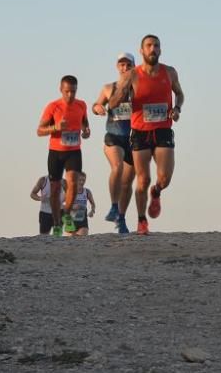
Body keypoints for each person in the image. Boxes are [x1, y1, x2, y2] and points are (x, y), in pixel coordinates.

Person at [110, 34, 184, 235]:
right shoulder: (132, 75)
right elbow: (114, 102)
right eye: (149, 46)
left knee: (165, 178)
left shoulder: (169, 72)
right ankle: (142, 220)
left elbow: (180, 93)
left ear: (160, 50)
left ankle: (157, 192)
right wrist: (120, 94)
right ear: (142, 50)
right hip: (140, 132)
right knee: (142, 179)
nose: (153, 49)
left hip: (163, 130)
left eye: (156, 46)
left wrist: (177, 108)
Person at [37, 75, 90, 236]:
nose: (70, 95)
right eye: (67, 91)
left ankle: (66, 213)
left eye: (73, 92)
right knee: (55, 189)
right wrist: (55, 127)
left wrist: (86, 131)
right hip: (56, 152)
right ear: (61, 90)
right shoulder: (53, 107)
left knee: (73, 183)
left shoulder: (81, 105)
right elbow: (39, 130)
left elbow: (85, 123)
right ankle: (57, 222)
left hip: (74, 151)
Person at [92, 52, 136, 234]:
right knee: (116, 168)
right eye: (121, 65)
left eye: (128, 65)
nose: (125, 68)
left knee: (127, 183)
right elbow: (95, 105)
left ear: (133, 67)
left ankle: (122, 218)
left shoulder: (138, 89)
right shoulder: (109, 88)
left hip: (133, 139)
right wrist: (98, 108)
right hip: (113, 136)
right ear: (117, 67)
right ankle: (113, 206)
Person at [66, 172, 96, 236]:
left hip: (83, 220)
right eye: (80, 180)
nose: (82, 182)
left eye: (83, 180)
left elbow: (93, 204)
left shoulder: (87, 191)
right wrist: (72, 207)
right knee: (70, 241)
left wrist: (92, 211)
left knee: (83, 240)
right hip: (71, 219)